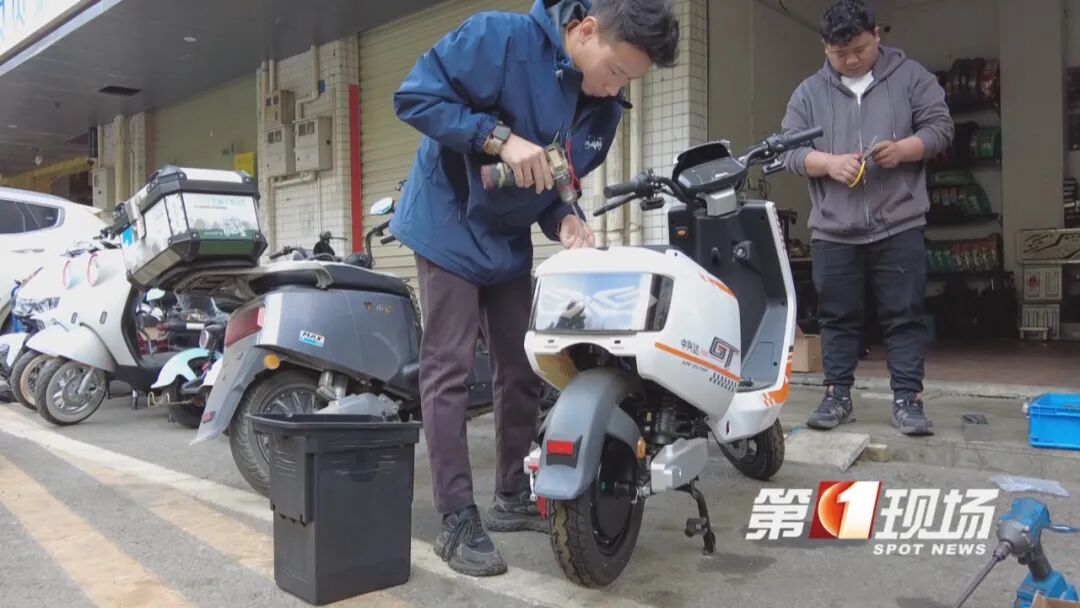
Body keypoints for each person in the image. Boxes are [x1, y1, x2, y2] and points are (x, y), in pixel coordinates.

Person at [390, 0, 679, 577]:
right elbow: (414, 97)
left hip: (505, 238)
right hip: (447, 221)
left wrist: (564, 220)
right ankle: (456, 517)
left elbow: (554, 182)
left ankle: (510, 496)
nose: (615, 88)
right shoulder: (500, 39)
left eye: (628, 80)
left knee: (522, 366)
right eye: (614, 71)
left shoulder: (604, 109)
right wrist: (498, 138)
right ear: (586, 30)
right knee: (448, 367)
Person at [779, 0, 953, 437]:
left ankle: (908, 400)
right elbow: (788, 151)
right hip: (833, 229)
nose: (852, 60)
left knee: (905, 315)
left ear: (877, 35)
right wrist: (828, 163)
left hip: (899, 222)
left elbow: (940, 128)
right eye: (841, 54)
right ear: (825, 47)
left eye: (859, 49)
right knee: (836, 317)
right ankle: (836, 396)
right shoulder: (808, 93)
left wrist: (904, 150)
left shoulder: (911, 77)